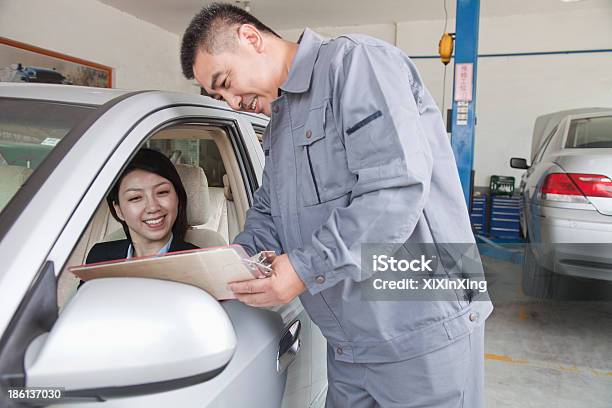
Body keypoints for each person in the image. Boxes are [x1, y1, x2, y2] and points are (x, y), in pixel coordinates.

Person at [180, 4, 493, 407]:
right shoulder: (281, 122)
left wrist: (303, 267)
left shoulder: (356, 63)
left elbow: (395, 190)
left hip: (424, 334)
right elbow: (269, 212)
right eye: (218, 95)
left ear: (250, 38)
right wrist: (232, 262)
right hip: (350, 346)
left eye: (225, 82)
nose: (231, 101)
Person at [84, 148, 197, 266]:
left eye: (162, 192)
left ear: (178, 197)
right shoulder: (99, 257)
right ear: (118, 210)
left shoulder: (202, 263)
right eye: (135, 198)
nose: (152, 207)